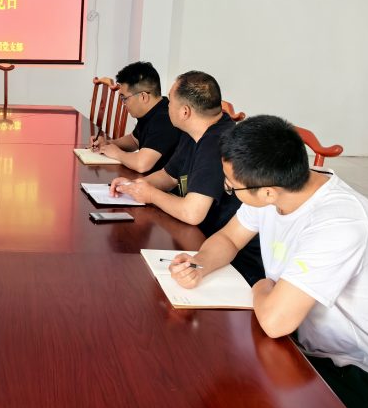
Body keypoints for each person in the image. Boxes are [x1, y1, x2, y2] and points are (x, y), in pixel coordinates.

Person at [168, 115, 368, 408]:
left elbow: (276, 322)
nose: (228, 188)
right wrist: (198, 264)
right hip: (302, 341)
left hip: (355, 368)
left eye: (231, 186)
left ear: (268, 192)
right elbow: (229, 238)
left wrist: (261, 284)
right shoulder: (278, 188)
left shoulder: (340, 221)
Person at [110, 70, 264, 283]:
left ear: (184, 112)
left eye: (170, 101)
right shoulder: (194, 132)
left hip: (234, 261)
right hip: (201, 242)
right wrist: (135, 185)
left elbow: (193, 213)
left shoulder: (217, 143)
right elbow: (168, 176)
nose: (166, 106)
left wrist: (151, 194)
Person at [91, 61, 180, 173]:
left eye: (124, 98)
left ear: (143, 97)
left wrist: (118, 154)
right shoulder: (153, 110)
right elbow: (134, 141)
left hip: (165, 183)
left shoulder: (164, 119)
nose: (123, 104)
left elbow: (141, 164)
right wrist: (108, 144)